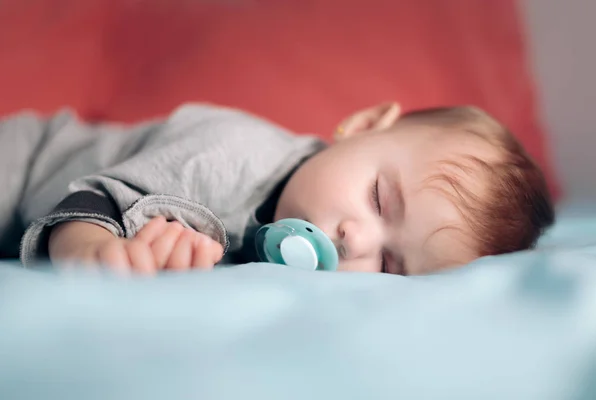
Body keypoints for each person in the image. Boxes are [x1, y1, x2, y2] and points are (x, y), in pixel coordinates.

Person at [0, 102, 554, 275]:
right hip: (25, 161)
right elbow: (96, 197)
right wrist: (93, 252)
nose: (355, 239)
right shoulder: (233, 153)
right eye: (379, 200)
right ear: (362, 126)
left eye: (390, 264)